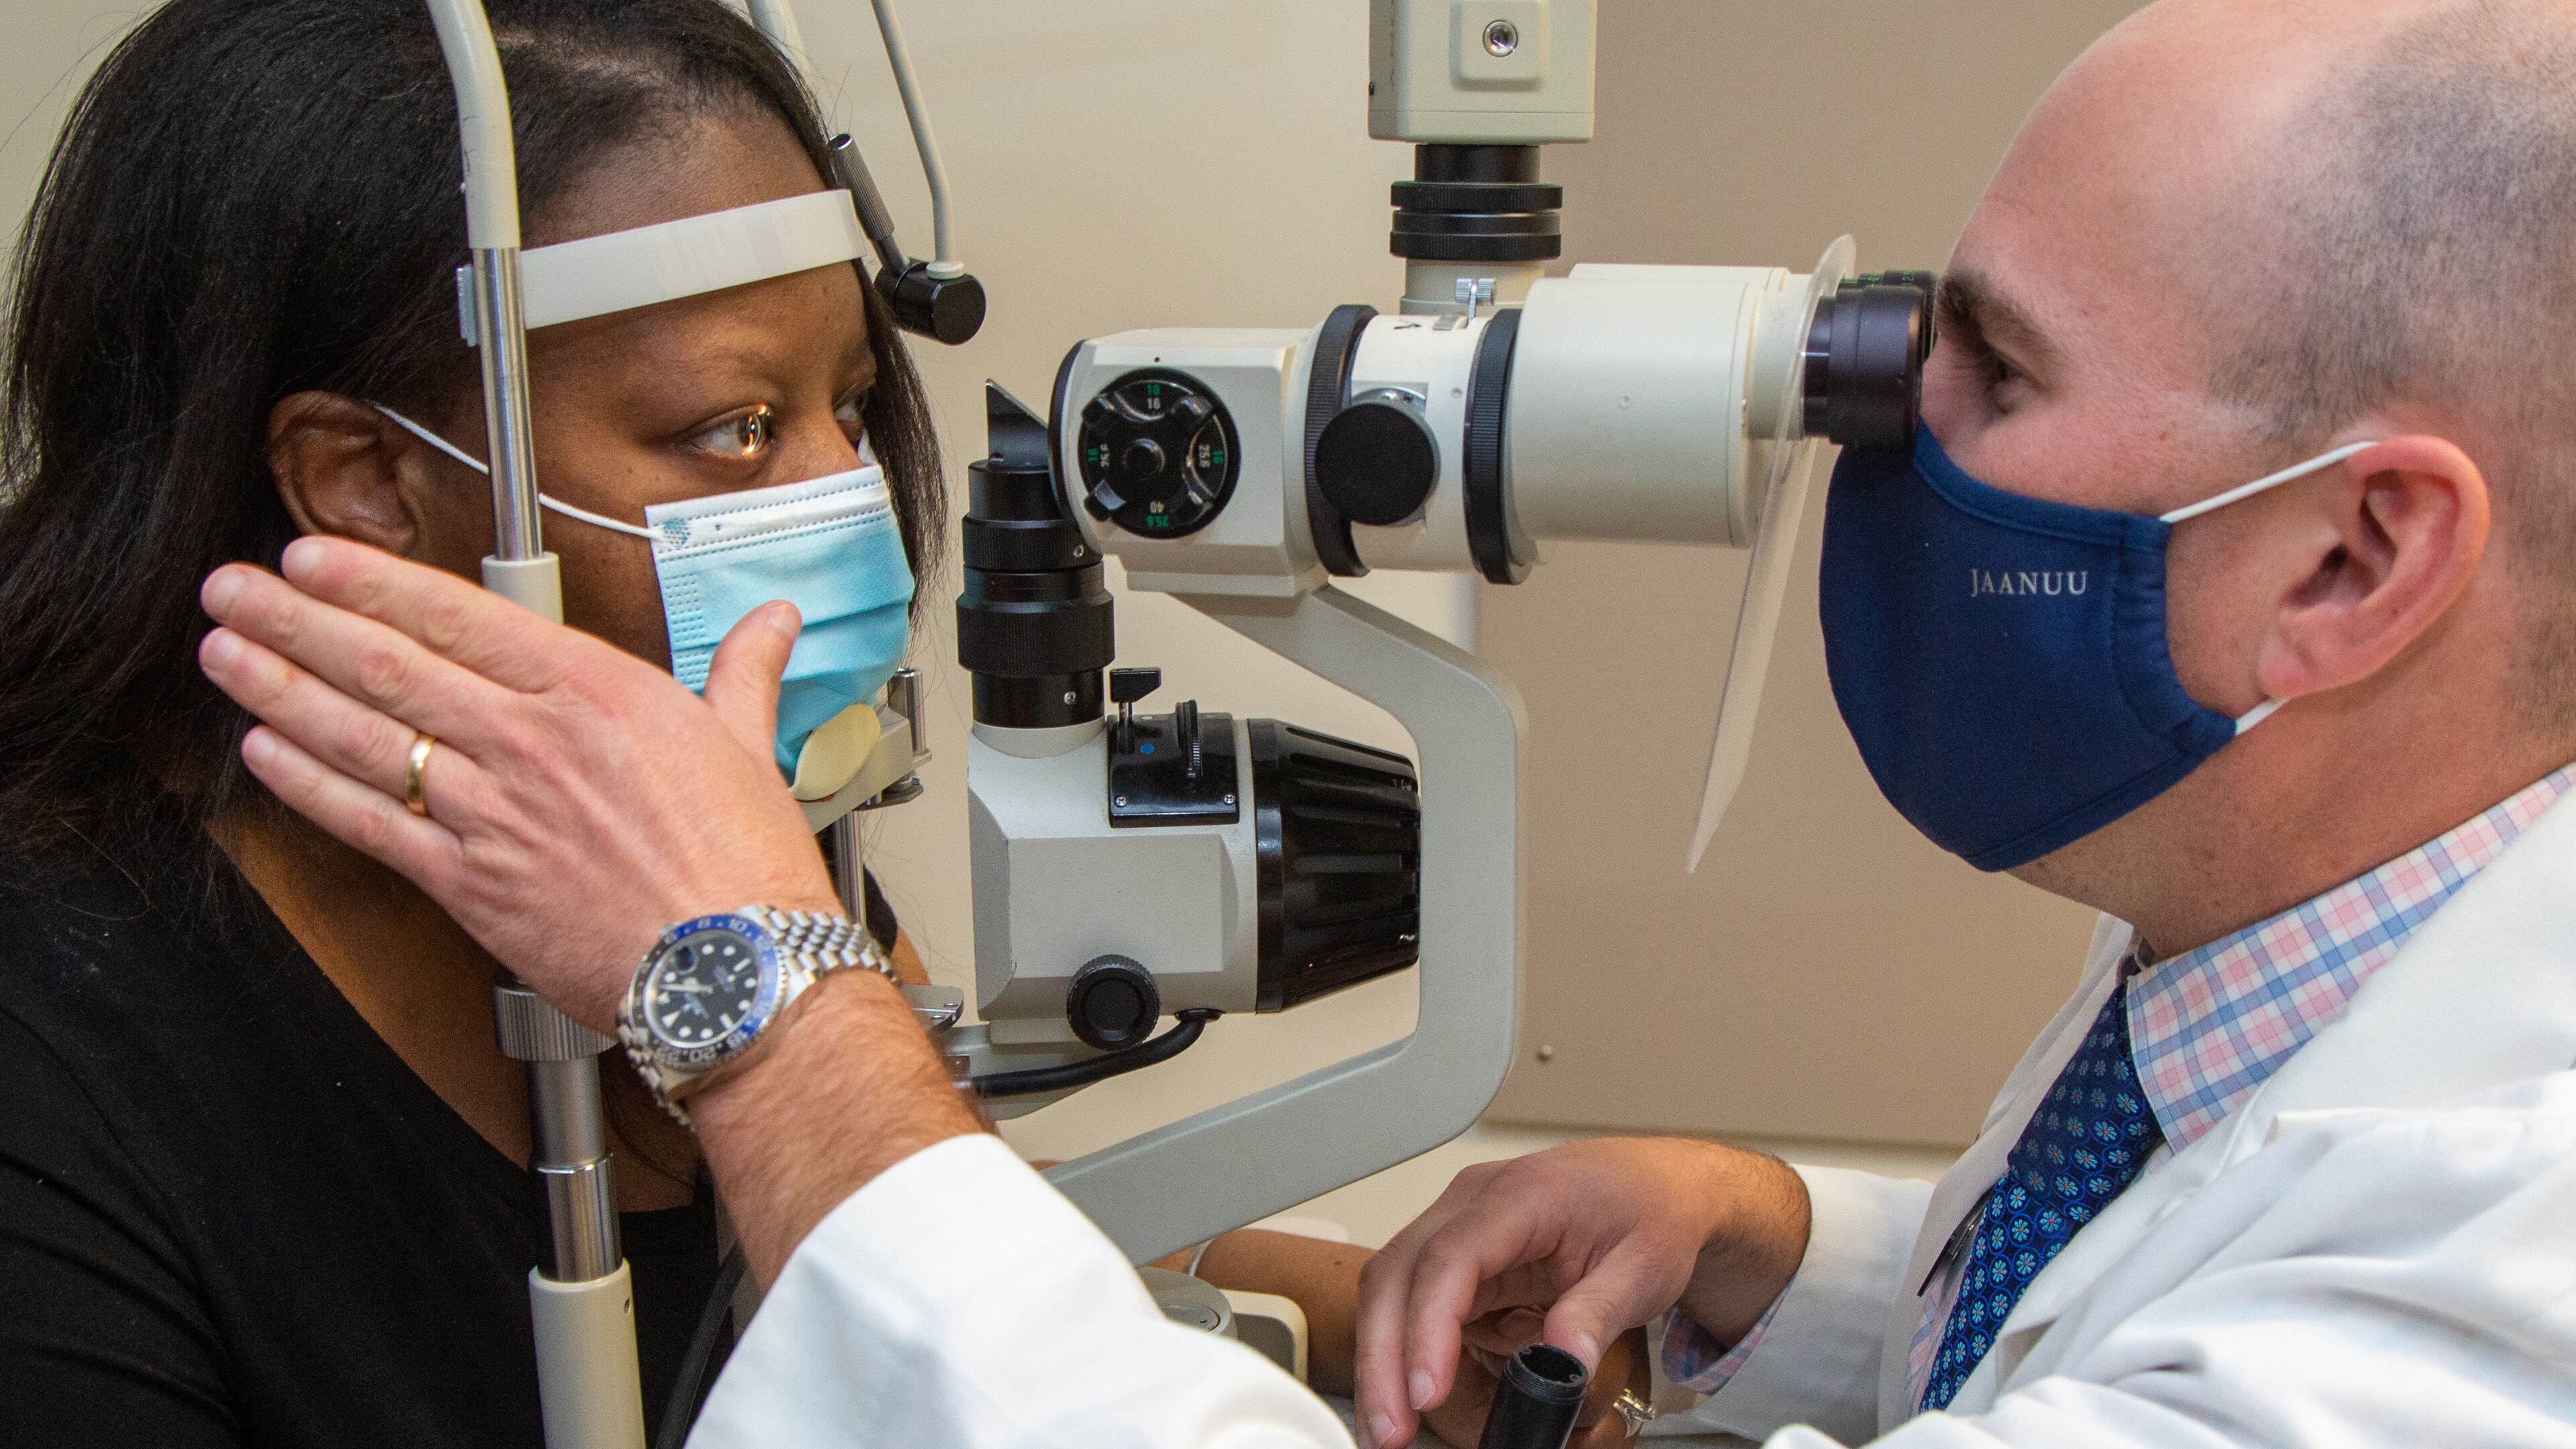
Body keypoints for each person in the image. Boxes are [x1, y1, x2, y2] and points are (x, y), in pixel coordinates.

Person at [182, 0, 2576, 1446]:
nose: (1885, 425)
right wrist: (1788, 1251)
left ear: (2351, 562)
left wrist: (776, 1023)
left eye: (1999, 370)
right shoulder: (2306, 956)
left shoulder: (2504, 1276)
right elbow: (2149, 1296)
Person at [0, 2, 951, 1444]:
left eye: (853, 405)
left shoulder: (724, 847)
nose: (850, 496)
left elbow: (935, 1267)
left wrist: (1362, 1305)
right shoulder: (62, 1056)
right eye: (735, 429)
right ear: (367, 478)